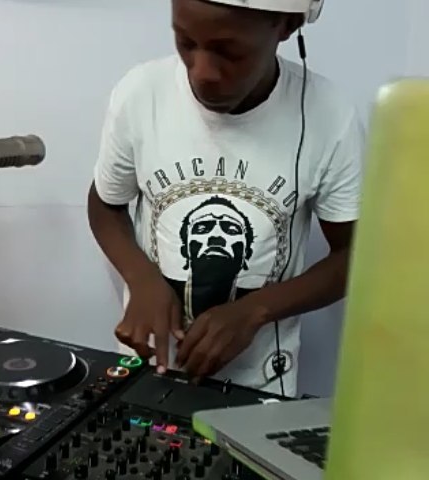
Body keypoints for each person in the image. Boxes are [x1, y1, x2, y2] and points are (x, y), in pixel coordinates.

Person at [87, 0, 364, 397]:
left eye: (229, 52)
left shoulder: (329, 113)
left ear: (287, 26)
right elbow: (105, 203)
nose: (202, 73)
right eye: (186, 42)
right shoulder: (141, 93)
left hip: (260, 388)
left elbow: (354, 255)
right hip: (146, 376)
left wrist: (256, 310)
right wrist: (141, 278)